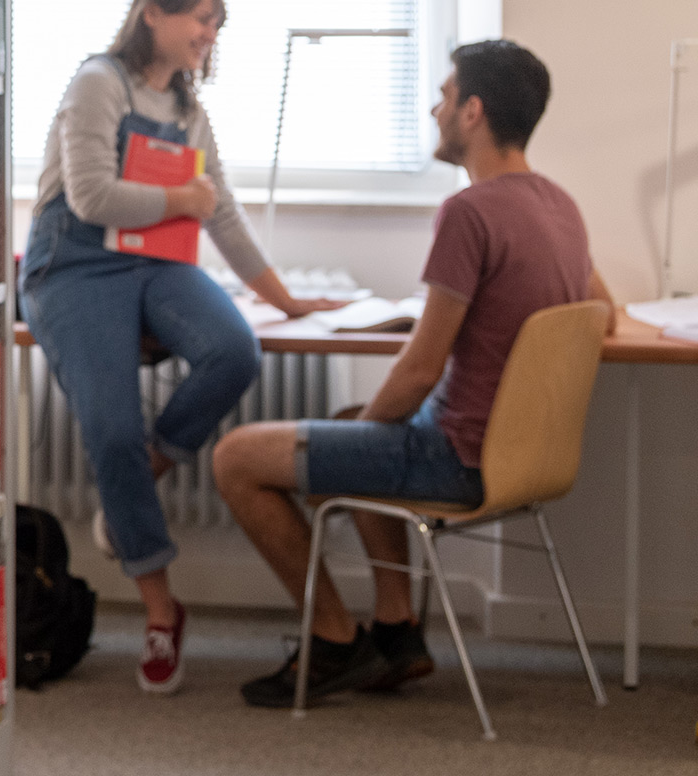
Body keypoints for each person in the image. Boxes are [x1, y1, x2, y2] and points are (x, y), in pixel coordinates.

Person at [212, 39, 616, 707]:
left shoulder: (469, 213)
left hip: (455, 458)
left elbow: (420, 369)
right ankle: (397, 634)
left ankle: (336, 641)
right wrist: (363, 437)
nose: (435, 108)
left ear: (473, 112)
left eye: (445, 95)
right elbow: (601, 309)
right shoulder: (559, 205)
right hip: (523, 457)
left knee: (234, 457)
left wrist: (368, 440)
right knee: (349, 427)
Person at [19, 0, 341, 695]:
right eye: (200, 17)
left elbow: (217, 209)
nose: (209, 33)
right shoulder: (98, 82)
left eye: (216, 23)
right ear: (151, 15)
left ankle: (145, 472)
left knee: (235, 350)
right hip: (74, 265)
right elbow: (94, 197)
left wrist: (283, 299)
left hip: (155, 263)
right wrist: (180, 199)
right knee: (108, 428)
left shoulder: (189, 110)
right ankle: (162, 610)